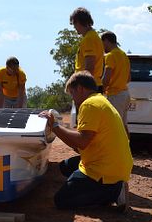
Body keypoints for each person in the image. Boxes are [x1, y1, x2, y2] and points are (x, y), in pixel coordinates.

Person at [40, 71, 132, 210]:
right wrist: (60, 130)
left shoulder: (89, 105)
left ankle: (114, 191)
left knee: (62, 200)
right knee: (65, 166)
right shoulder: (100, 100)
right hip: (114, 163)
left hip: (105, 171)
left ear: (80, 89)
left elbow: (82, 141)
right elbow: (81, 145)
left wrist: (55, 126)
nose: (73, 99)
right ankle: (106, 187)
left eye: (72, 93)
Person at [101, 31, 131, 127]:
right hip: (125, 94)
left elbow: (106, 79)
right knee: (123, 125)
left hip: (115, 95)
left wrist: (99, 91)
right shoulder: (124, 55)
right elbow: (129, 78)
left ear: (106, 41)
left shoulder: (110, 55)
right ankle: (126, 142)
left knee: (113, 125)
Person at [70, 7, 104, 90]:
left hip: (87, 86)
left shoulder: (89, 39)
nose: (74, 26)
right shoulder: (94, 36)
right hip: (93, 83)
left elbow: (90, 67)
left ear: (78, 21)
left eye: (73, 23)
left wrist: (82, 88)